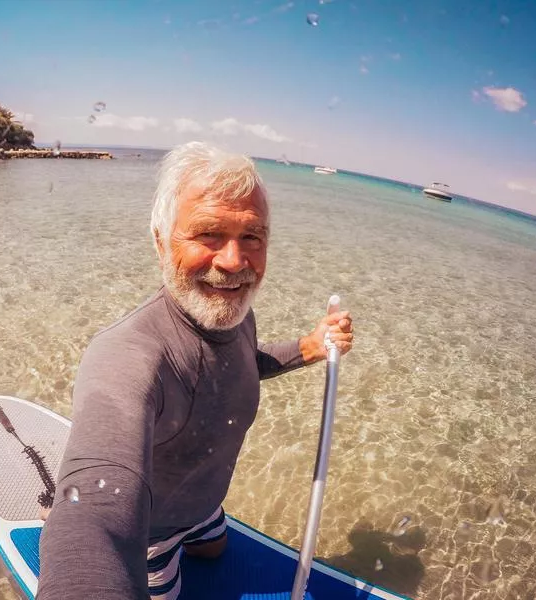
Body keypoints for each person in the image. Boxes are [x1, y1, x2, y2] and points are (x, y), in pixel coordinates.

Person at [37, 141, 354, 599]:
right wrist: (80, 528)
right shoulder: (127, 353)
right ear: (160, 240)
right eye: (208, 234)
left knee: (215, 552)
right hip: (151, 532)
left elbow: (238, 363)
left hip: (204, 508)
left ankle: (200, 530)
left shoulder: (235, 313)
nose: (234, 262)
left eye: (252, 237)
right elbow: (96, 514)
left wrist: (309, 348)